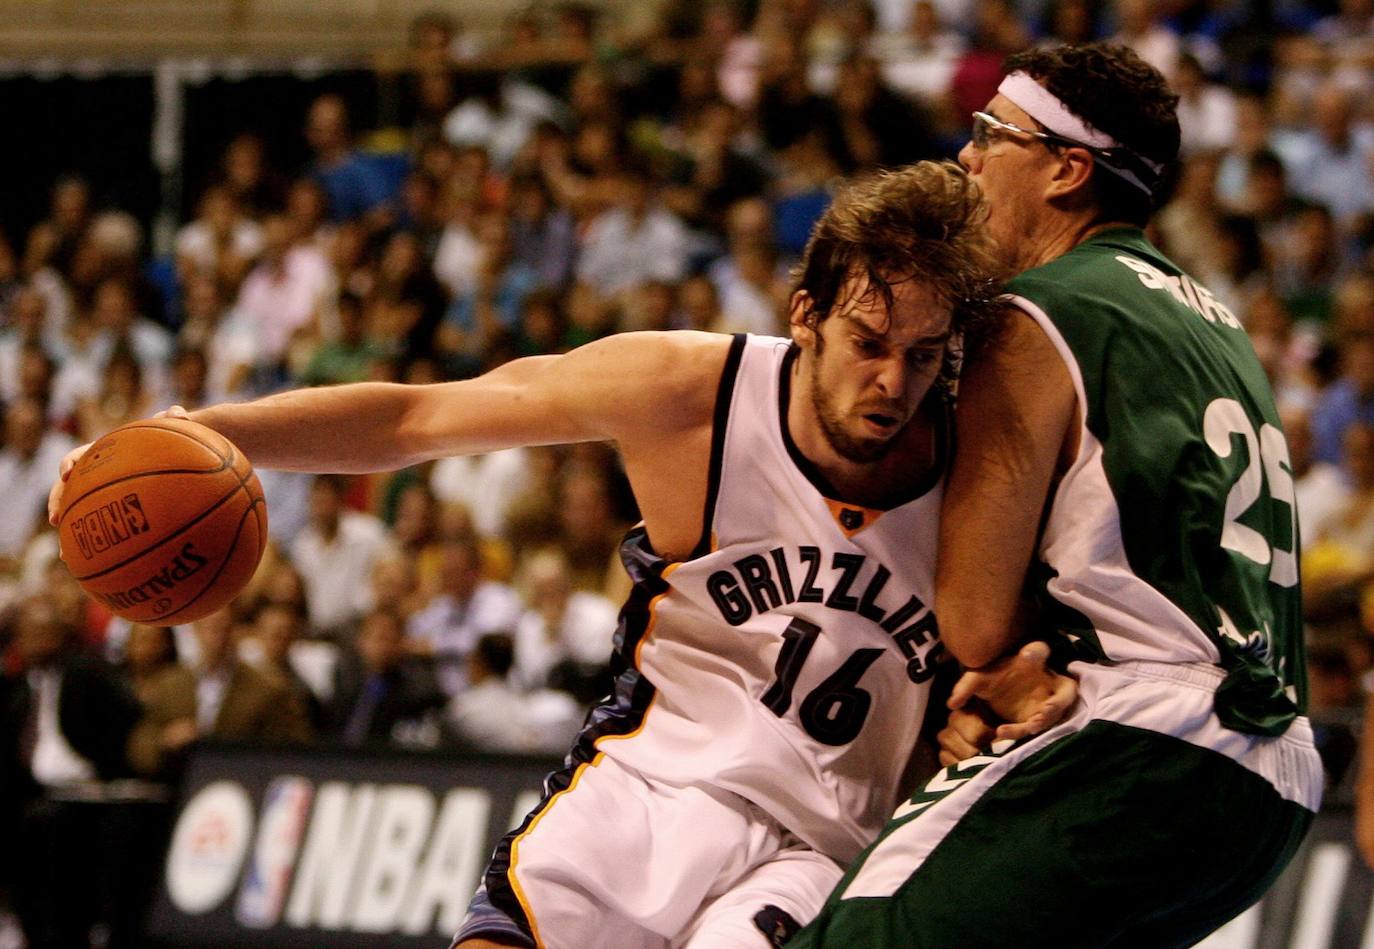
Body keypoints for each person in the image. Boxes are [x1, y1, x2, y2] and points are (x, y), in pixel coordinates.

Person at [50, 161, 1068, 948]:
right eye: (868, 341)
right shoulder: (686, 394)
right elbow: (418, 419)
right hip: (643, 788)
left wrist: (1004, 694)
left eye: (926, 354)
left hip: (821, 846)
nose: (892, 381)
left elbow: (1027, 659)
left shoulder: (989, 476)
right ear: (806, 314)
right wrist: (196, 433)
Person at [790, 42, 1323, 948]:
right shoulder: (1212, 317)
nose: (968, 157)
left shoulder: (1035, 312)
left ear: (1068, 169)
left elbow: (973, 621)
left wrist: (999, 671)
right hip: (1273, 776)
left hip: (1143, 742)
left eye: (993, 134)